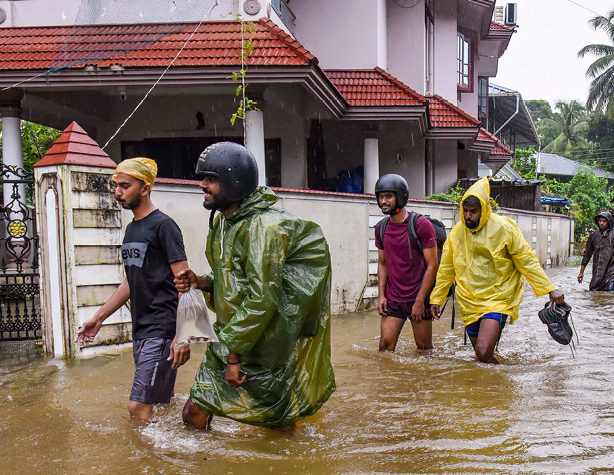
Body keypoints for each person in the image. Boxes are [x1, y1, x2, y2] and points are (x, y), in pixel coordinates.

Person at [174, 142, 335, 430]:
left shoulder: (264, 228)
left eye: (211, 179)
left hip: (261, 344)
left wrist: (234, 357)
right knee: (193, 413)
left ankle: (287, 473)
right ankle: (206, 472)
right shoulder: (225, 222)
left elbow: (263, 298)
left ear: (234, 182)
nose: (202, 185)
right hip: (231, 336)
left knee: (276, 422)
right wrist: (203, 282)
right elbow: (234, 281)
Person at [75, 158, 190, 421]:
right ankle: (172, 456)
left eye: (124, 186)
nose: (117, 192)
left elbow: (184, 282)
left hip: (161, 330)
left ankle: (144, 462)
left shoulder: (164, 226)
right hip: (141, 330)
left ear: (146, 188)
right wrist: (98, 318)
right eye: (116, 186)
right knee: (159, 407)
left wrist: (182, 335)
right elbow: (130, 281)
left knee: (137, 407)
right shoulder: (131, 229)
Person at [429, 178, 564, 364]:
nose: (468, 216)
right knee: (481, 356)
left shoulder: (503, 228)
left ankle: (500, 384)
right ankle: (495, 385)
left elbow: (526, 259)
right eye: (465, 211)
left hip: (498, 297)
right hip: (468, 300)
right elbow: (446, 268)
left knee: (483, 352)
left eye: (473, 212)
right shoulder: (457, 233)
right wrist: (437, 298)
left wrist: (550, 289)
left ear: (484, 209)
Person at [374, 174, 438, 352]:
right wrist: (381, 295)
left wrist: (419, 301)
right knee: (385, 348)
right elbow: (382, 263)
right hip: (393, 299)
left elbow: (432, 265)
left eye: (389, 196)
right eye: (381, 197)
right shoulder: (381, 228)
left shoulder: (421, 225)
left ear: (401, 197)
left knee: (424, 349)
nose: (383, 201)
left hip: (418, 296)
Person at [578, 211, 614, 291]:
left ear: (609, 222)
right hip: (598, 272)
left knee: (610, 291)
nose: (602, 223)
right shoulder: (594, 236)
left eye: (604, 221)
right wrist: (581, 272)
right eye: (600, 221)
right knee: (595, 292)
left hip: (612, 270)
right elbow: (587, 254)